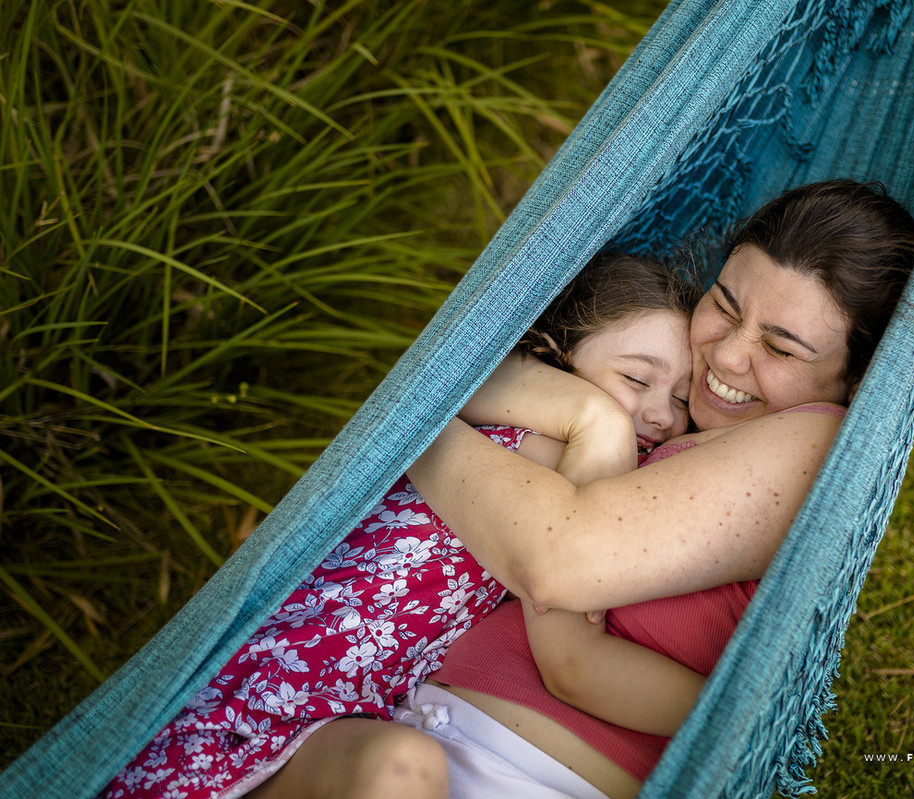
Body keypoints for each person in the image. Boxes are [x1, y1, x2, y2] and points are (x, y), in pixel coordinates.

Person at [393, 178, 914, 796]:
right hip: (419, 733)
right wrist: (592, 417)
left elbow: (556, 559)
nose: (726, 357)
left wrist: (408, 425)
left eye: (779, 347)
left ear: (858, 381)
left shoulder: (816, 446)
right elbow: (466, 374)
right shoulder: (672, 408)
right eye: (724, 305)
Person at [100, 253, 699, 799]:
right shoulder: (508, 432)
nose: (661, 414)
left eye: (682, 397)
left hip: (339, 708)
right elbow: (444, 372)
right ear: (552, 356)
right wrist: (597, 420)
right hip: (277, 676)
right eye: (637, 379)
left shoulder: (519, 439)